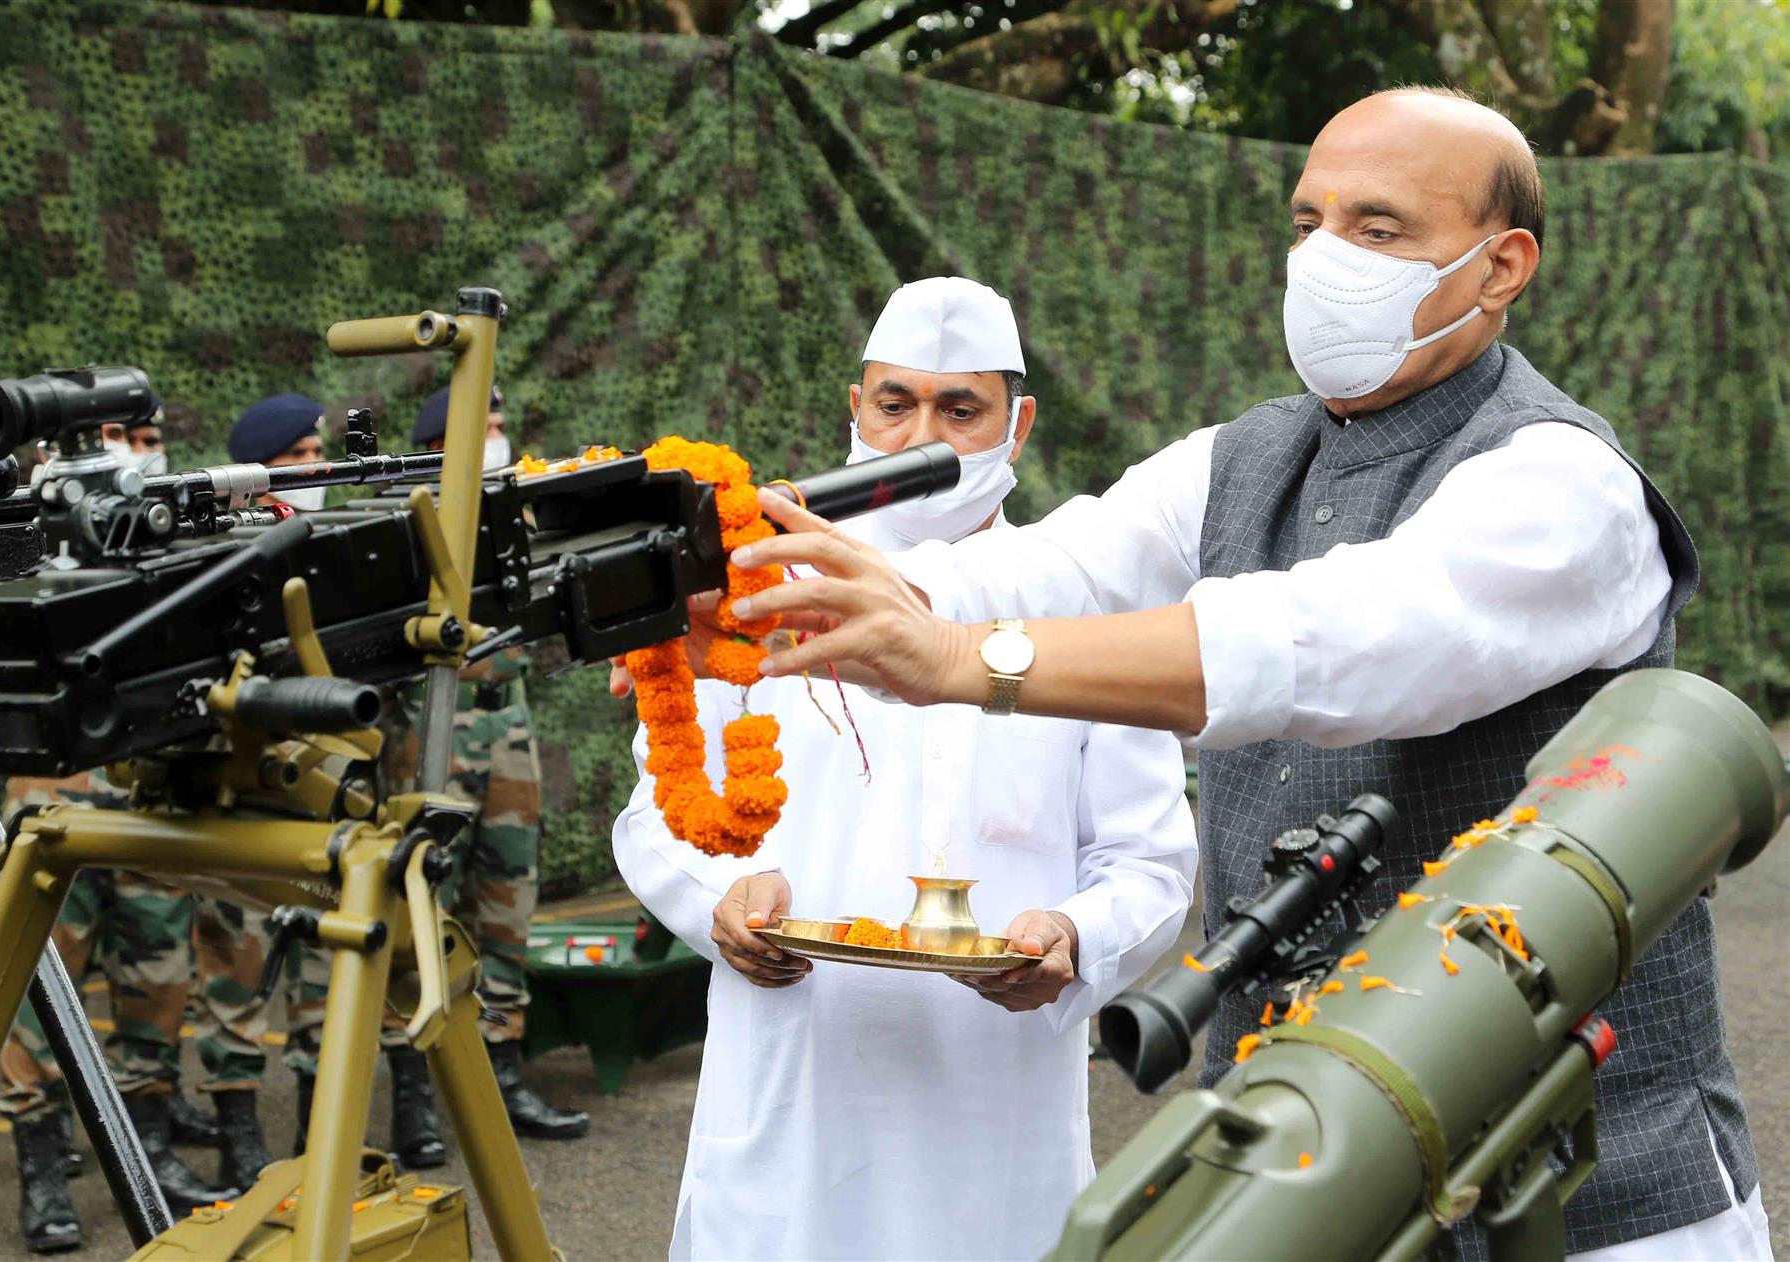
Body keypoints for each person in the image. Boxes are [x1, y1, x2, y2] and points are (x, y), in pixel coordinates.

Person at [714, 90, 1770, 1262]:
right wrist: (763, 580)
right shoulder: (1241, 456)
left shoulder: (1566, 483)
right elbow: (1041, 567)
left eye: (1378, 228)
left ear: (1499, 265)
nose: (1325, 258)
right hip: (1317, 1165)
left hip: (1590, 1190)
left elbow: (1339, 641)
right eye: (1308, 219)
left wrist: (965, 662)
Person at [611, 278, 1196, 1261]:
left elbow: (1149, 865)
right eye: (896, 403)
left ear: (1019, 425)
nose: (922, 432)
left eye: (960, 408)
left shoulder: (1085, 611)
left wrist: (1074, 935)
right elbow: (658, 808)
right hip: (793, 1079)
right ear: (855, 408)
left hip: (992, 1103)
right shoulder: (754, 588)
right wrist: (718, 892)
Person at [0, 417, 234, 1254]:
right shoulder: (25, 530)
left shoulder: (172, 522)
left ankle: (151, 1151)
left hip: (150, 785)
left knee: (158, 971)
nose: (138, 448)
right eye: (116, 434)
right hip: (54, 791)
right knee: (42, 978)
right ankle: (41, 1169)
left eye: (149, 433)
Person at [374, 384, 588, 1167]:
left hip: (509, 722)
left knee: (507, 900)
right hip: (430, 725)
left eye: (501, 423)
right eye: (481, 425)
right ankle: (413, 1099)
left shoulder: (516, 510)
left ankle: (503, 1076)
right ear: (437, 443)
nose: (496, 435)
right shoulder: (403, 524)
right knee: (419, 906)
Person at [189, 394, 338, 1184]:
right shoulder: (219, 548)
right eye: (303, 455)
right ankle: (238, 1139)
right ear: (260, 469)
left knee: (323, 961)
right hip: (242, 779)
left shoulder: (330, 539)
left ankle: (319, 1137)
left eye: (320, 452)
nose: (318, 467)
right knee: (235, 964)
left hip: (316, 780)